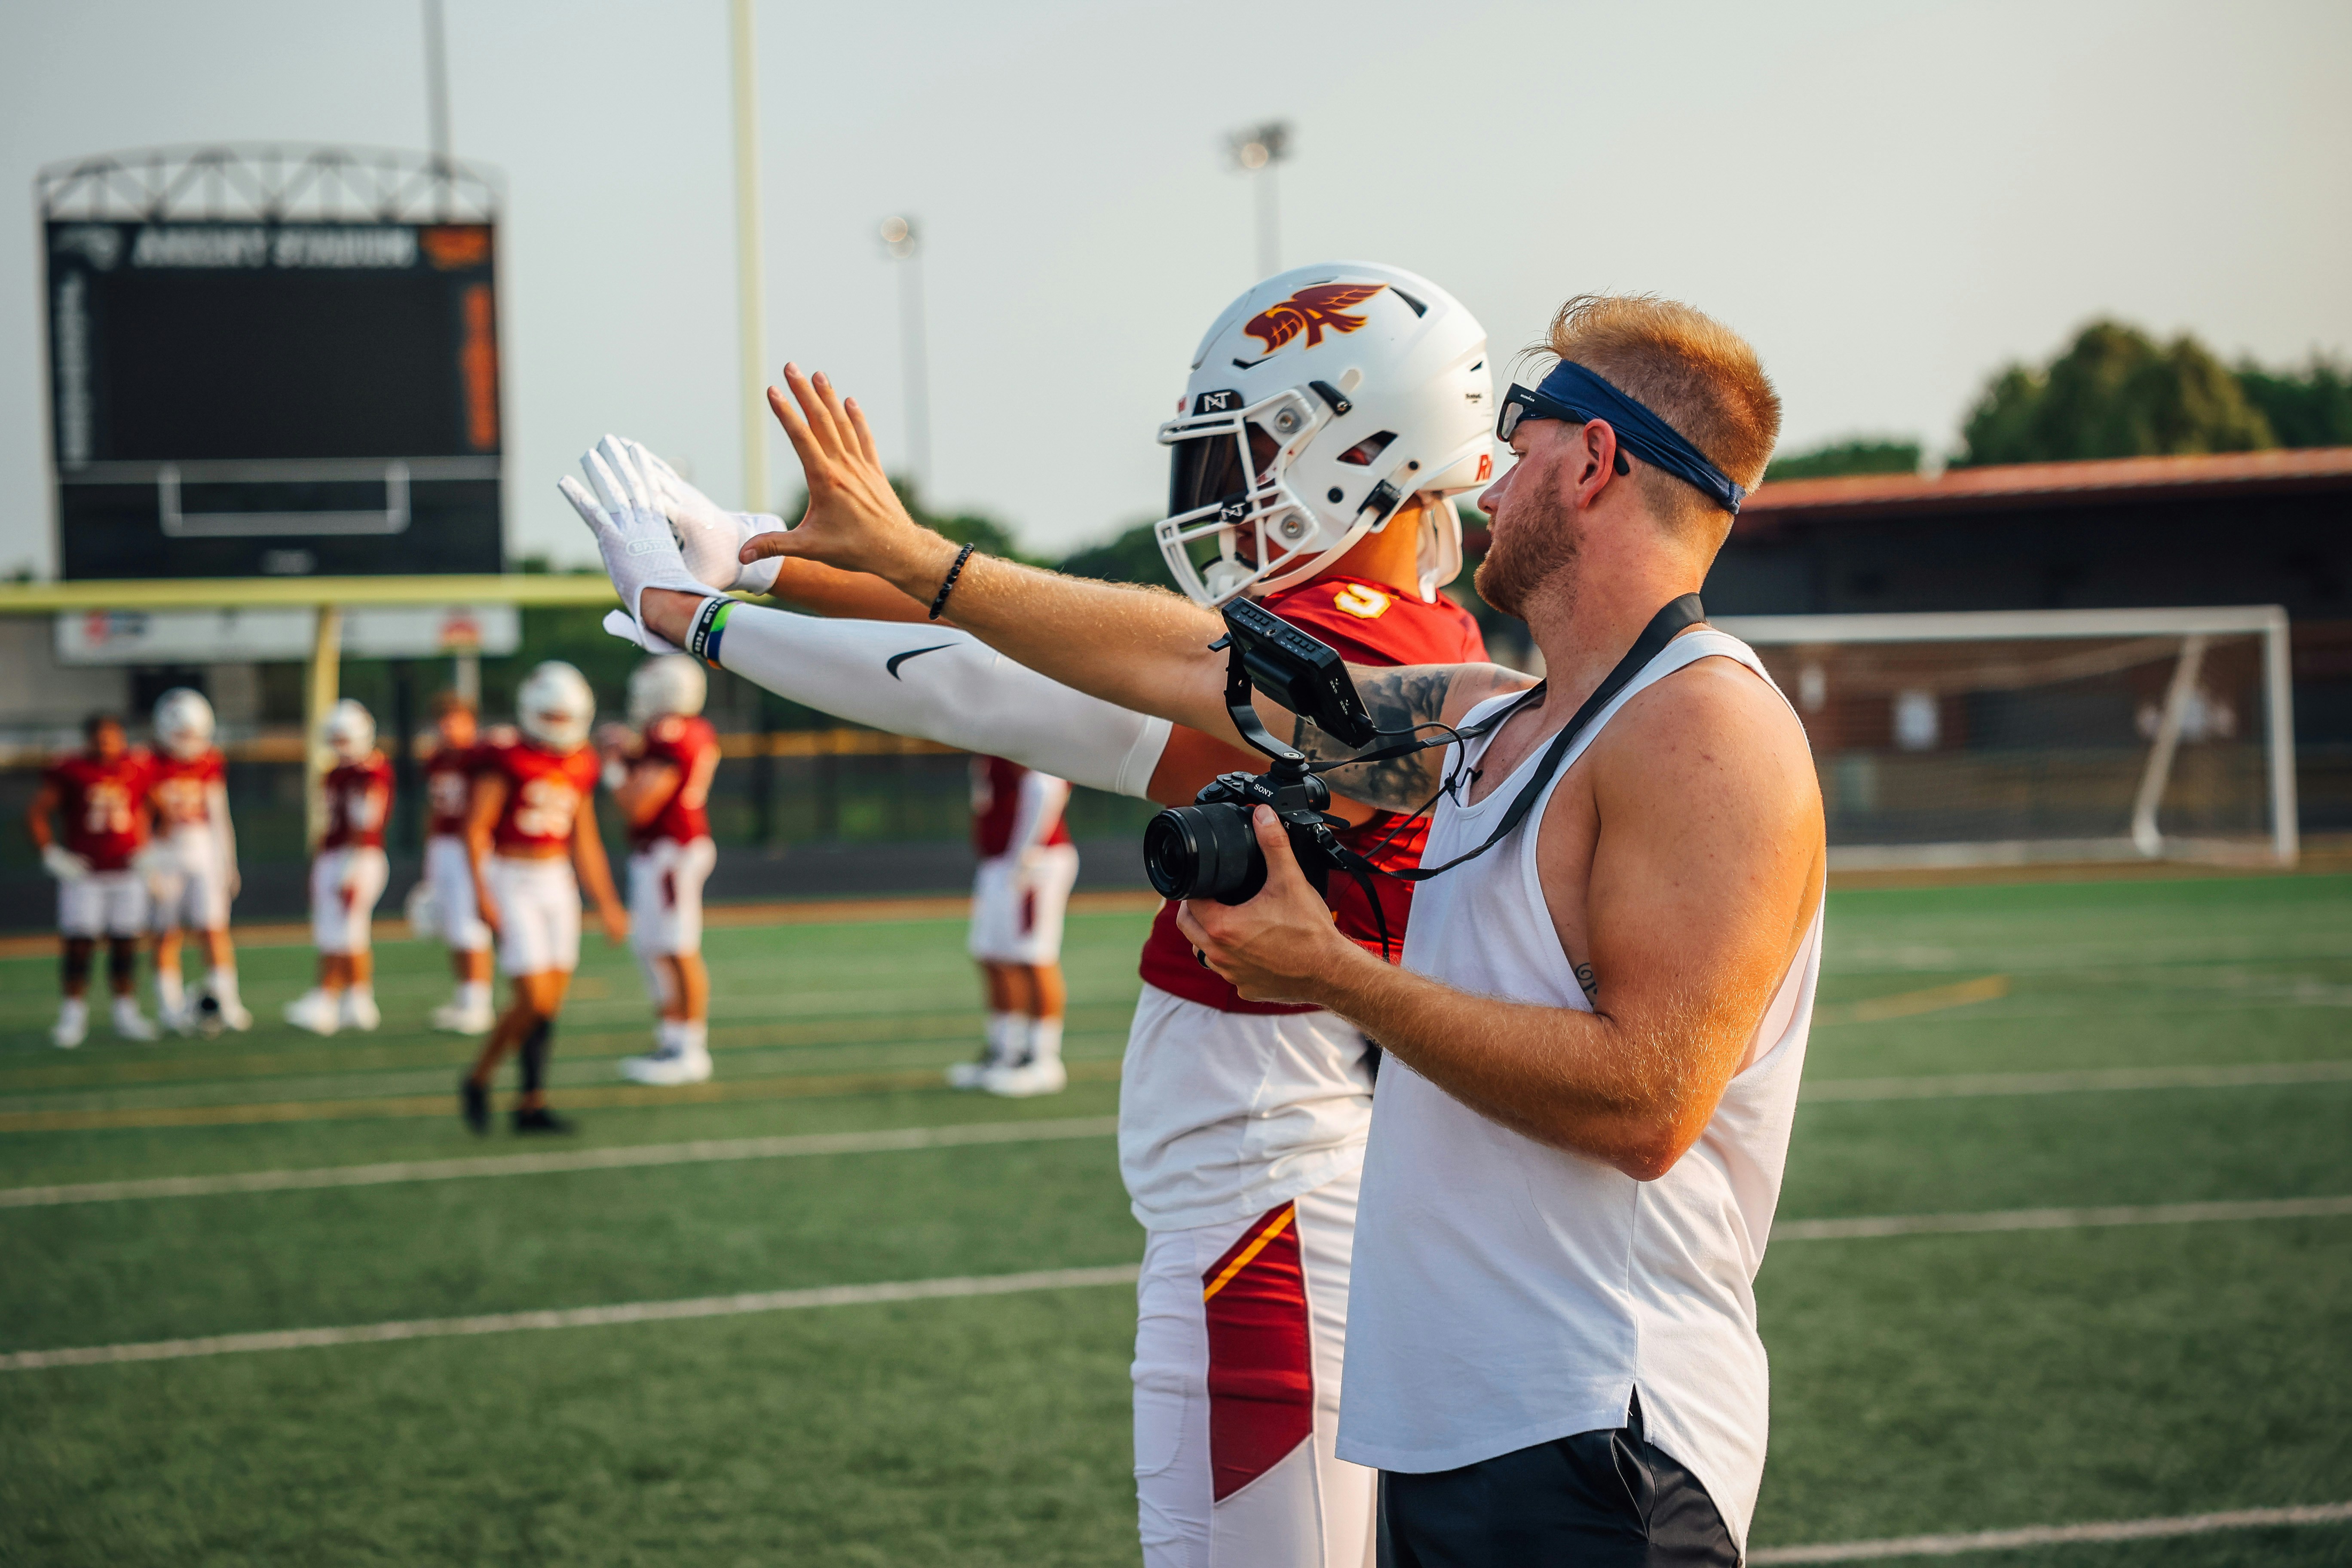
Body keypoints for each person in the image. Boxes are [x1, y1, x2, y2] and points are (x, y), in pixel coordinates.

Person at [631, 293, 1825, 1562]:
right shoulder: (1489, 717)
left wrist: (1331, 973)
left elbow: (1648, 1102)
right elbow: (1192, 663)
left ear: (1593, 464)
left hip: (1606, 1423)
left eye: (1525, 436)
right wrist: (909, 560)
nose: (1488, 471)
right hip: (1465, 1415)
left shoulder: (1705, 727)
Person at [567, 260, 1494, 1567]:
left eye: (1258, 450)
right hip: (1264, 1189)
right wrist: (768, 564)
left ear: (1363, 444)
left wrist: (703, 618)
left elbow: (1011, 693)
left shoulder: (1371, 665)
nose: (1229, 491)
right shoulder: (1389, 626)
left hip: (1270, 1201)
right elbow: (1040, 643)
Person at [460, 660, 628, 1135]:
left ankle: (532, 1102)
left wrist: (609, 904)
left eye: (563, 717)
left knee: (549, 1003)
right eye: (549, 717)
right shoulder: (507, 755)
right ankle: (478, 1077)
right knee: (532, 998)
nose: (556, 727)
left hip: (557, 881)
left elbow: (586, 840)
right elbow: (476, 829)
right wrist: (481, 892)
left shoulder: (580, 763)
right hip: (512, 877)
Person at [607, 653, 720, 1086]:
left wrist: (617, 766)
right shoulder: (693, 729)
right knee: (653, 946)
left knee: (677, 947)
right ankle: (672, 1039)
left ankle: (689, 1049)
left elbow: (639, 806)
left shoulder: (671, 734)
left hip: (672, 851)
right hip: (668, 850)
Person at [28, 712, 160, 1046]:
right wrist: (51, 854)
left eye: (113, 737)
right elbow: (37, 812)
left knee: (125, 944)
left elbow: (160, 808)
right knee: (79, 945)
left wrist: (153, 849)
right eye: (101, 739)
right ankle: (73, 1016)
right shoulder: (72, 770)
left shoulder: (138, 766)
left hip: (127, 871)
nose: (107, 745)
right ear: (88, 740)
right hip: (85, 874)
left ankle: (126, 1014)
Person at [954, 756, 1080, 1096]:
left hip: (1032, 862)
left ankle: (1044, 1060)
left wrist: (1024, 854)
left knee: (1034, 956)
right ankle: (1006, 1053)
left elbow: (1045, 785)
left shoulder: (1021, 722)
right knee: (992, 954)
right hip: (1001, 861)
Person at [285, 699, 393, 1035]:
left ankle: (331, 999)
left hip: (357, 857)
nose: (340, 747)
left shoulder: (370, 772)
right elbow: (327, 826)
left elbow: (366, 823)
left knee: (346, 932)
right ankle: (353, 1002)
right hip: (337, 855)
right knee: (338, 932)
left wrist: (350, 869)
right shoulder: (337, 773)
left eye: (345, 739)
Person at [144, 688, 250, 1033]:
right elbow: (139, 819)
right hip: (164, 852)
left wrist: (228, 862)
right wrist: (146, 865)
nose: (188, 741)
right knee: (165, 933)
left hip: (202, 848)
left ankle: (228, 1002)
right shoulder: (147, 763)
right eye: (181, 732)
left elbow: (220, 815)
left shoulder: (209, 761)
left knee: (214, 929)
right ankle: (170, 1008)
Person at [418, 692, 497, 1034]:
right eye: (443, 720)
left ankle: (480, 1003)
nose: (448, 727)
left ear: (471, 722)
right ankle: (465, 997)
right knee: (451, 926)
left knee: (470, 925)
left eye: (456, 719)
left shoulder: (480, 757)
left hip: (471, 845)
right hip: (443, 845)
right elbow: (433, 809)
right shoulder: (437, 759)